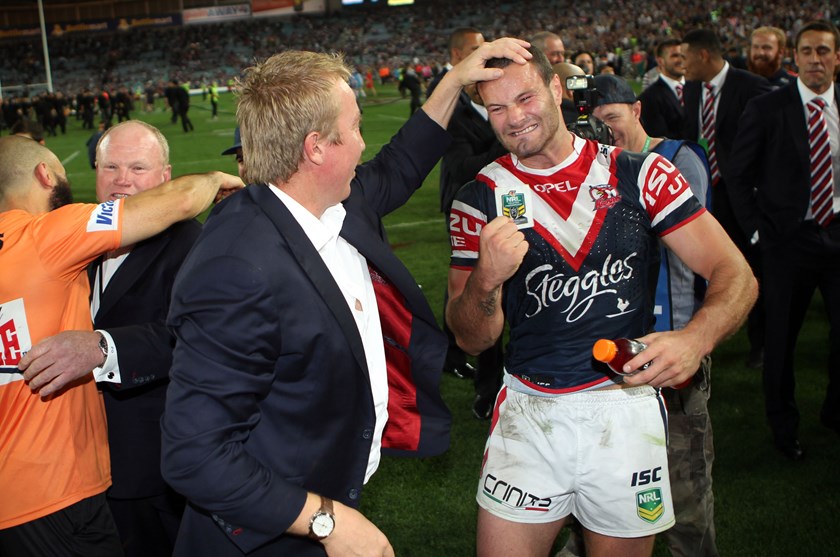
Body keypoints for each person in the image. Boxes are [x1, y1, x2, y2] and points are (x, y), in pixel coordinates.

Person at [159, 40, 531, 557]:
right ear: (316, 148)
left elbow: (404, 159)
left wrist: (453, 80)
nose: (362, 142)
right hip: (263, 532)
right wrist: (327, 522)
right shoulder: (236, 267)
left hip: (322, 492)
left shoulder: (336, 205)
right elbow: (195, 455)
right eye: (355, 127)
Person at [445, 46, 756, 557]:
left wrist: (695, 338)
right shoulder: (478, 197)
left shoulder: (642, 175)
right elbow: (470, 336)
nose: (514, 118)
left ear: (556, 90)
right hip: (530, 410)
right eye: (496, 108)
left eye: (524, 98)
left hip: (625, 410)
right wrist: (485, 281)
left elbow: (735, 273)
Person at [0, 135, 241, 556]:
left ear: (163, 175)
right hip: (59, 487)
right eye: (110, 167)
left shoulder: (195, 245)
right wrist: (215, 178)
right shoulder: (57, 233)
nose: (121, 181)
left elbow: (206, 334)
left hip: (150, 469)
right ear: (48, 175)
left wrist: (105, 348)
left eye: (138, 169)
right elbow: (184, 196)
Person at [592, 74, 718, 556]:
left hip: (673, 340)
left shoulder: (676, 160)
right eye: (596, 125)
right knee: (607, 486)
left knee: (684, 485)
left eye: (613, 119)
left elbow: (687, 244)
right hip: (616, 348)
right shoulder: (600, 168)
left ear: (637, 110)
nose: (607, 133)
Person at [728, 20, 840, 461]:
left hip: (836, 237)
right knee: (780, 342)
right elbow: (738, 174)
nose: (816, 59)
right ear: (796, 58)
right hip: (786, 243)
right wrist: (757, 229)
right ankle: (783, 424)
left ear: (837, 57)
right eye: (808, 51)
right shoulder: (769, 107)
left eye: (824, 51)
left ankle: (834, 412)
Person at [681, 28, 772, 370]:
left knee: (751, 268)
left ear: (704, 55)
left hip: (742, 197)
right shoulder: (691, 89)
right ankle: (707, 335)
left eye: (686, 57)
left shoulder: (751, 87)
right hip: (704, 196)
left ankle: (760, 345)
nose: (683, 65)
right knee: (707, 266)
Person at [439, 29, 507, 418]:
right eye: (476, 52)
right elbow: (462, 168)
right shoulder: (453, 109)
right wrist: (505, 138)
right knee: (477, 292)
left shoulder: (492, 101)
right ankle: (487, 388)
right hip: (468, 211)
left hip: (507, 210)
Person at [639, 39, 686, 139]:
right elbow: (659, 139)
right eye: (675, 56)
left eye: (683, 55)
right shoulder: (648, 98)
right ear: (660, 61)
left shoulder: (699, 89)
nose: (681, 60)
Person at [427, 27, 484, 101]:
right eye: (476, 49)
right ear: (457, 53)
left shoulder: (477, 78)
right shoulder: (439, 85)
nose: (483, 53)